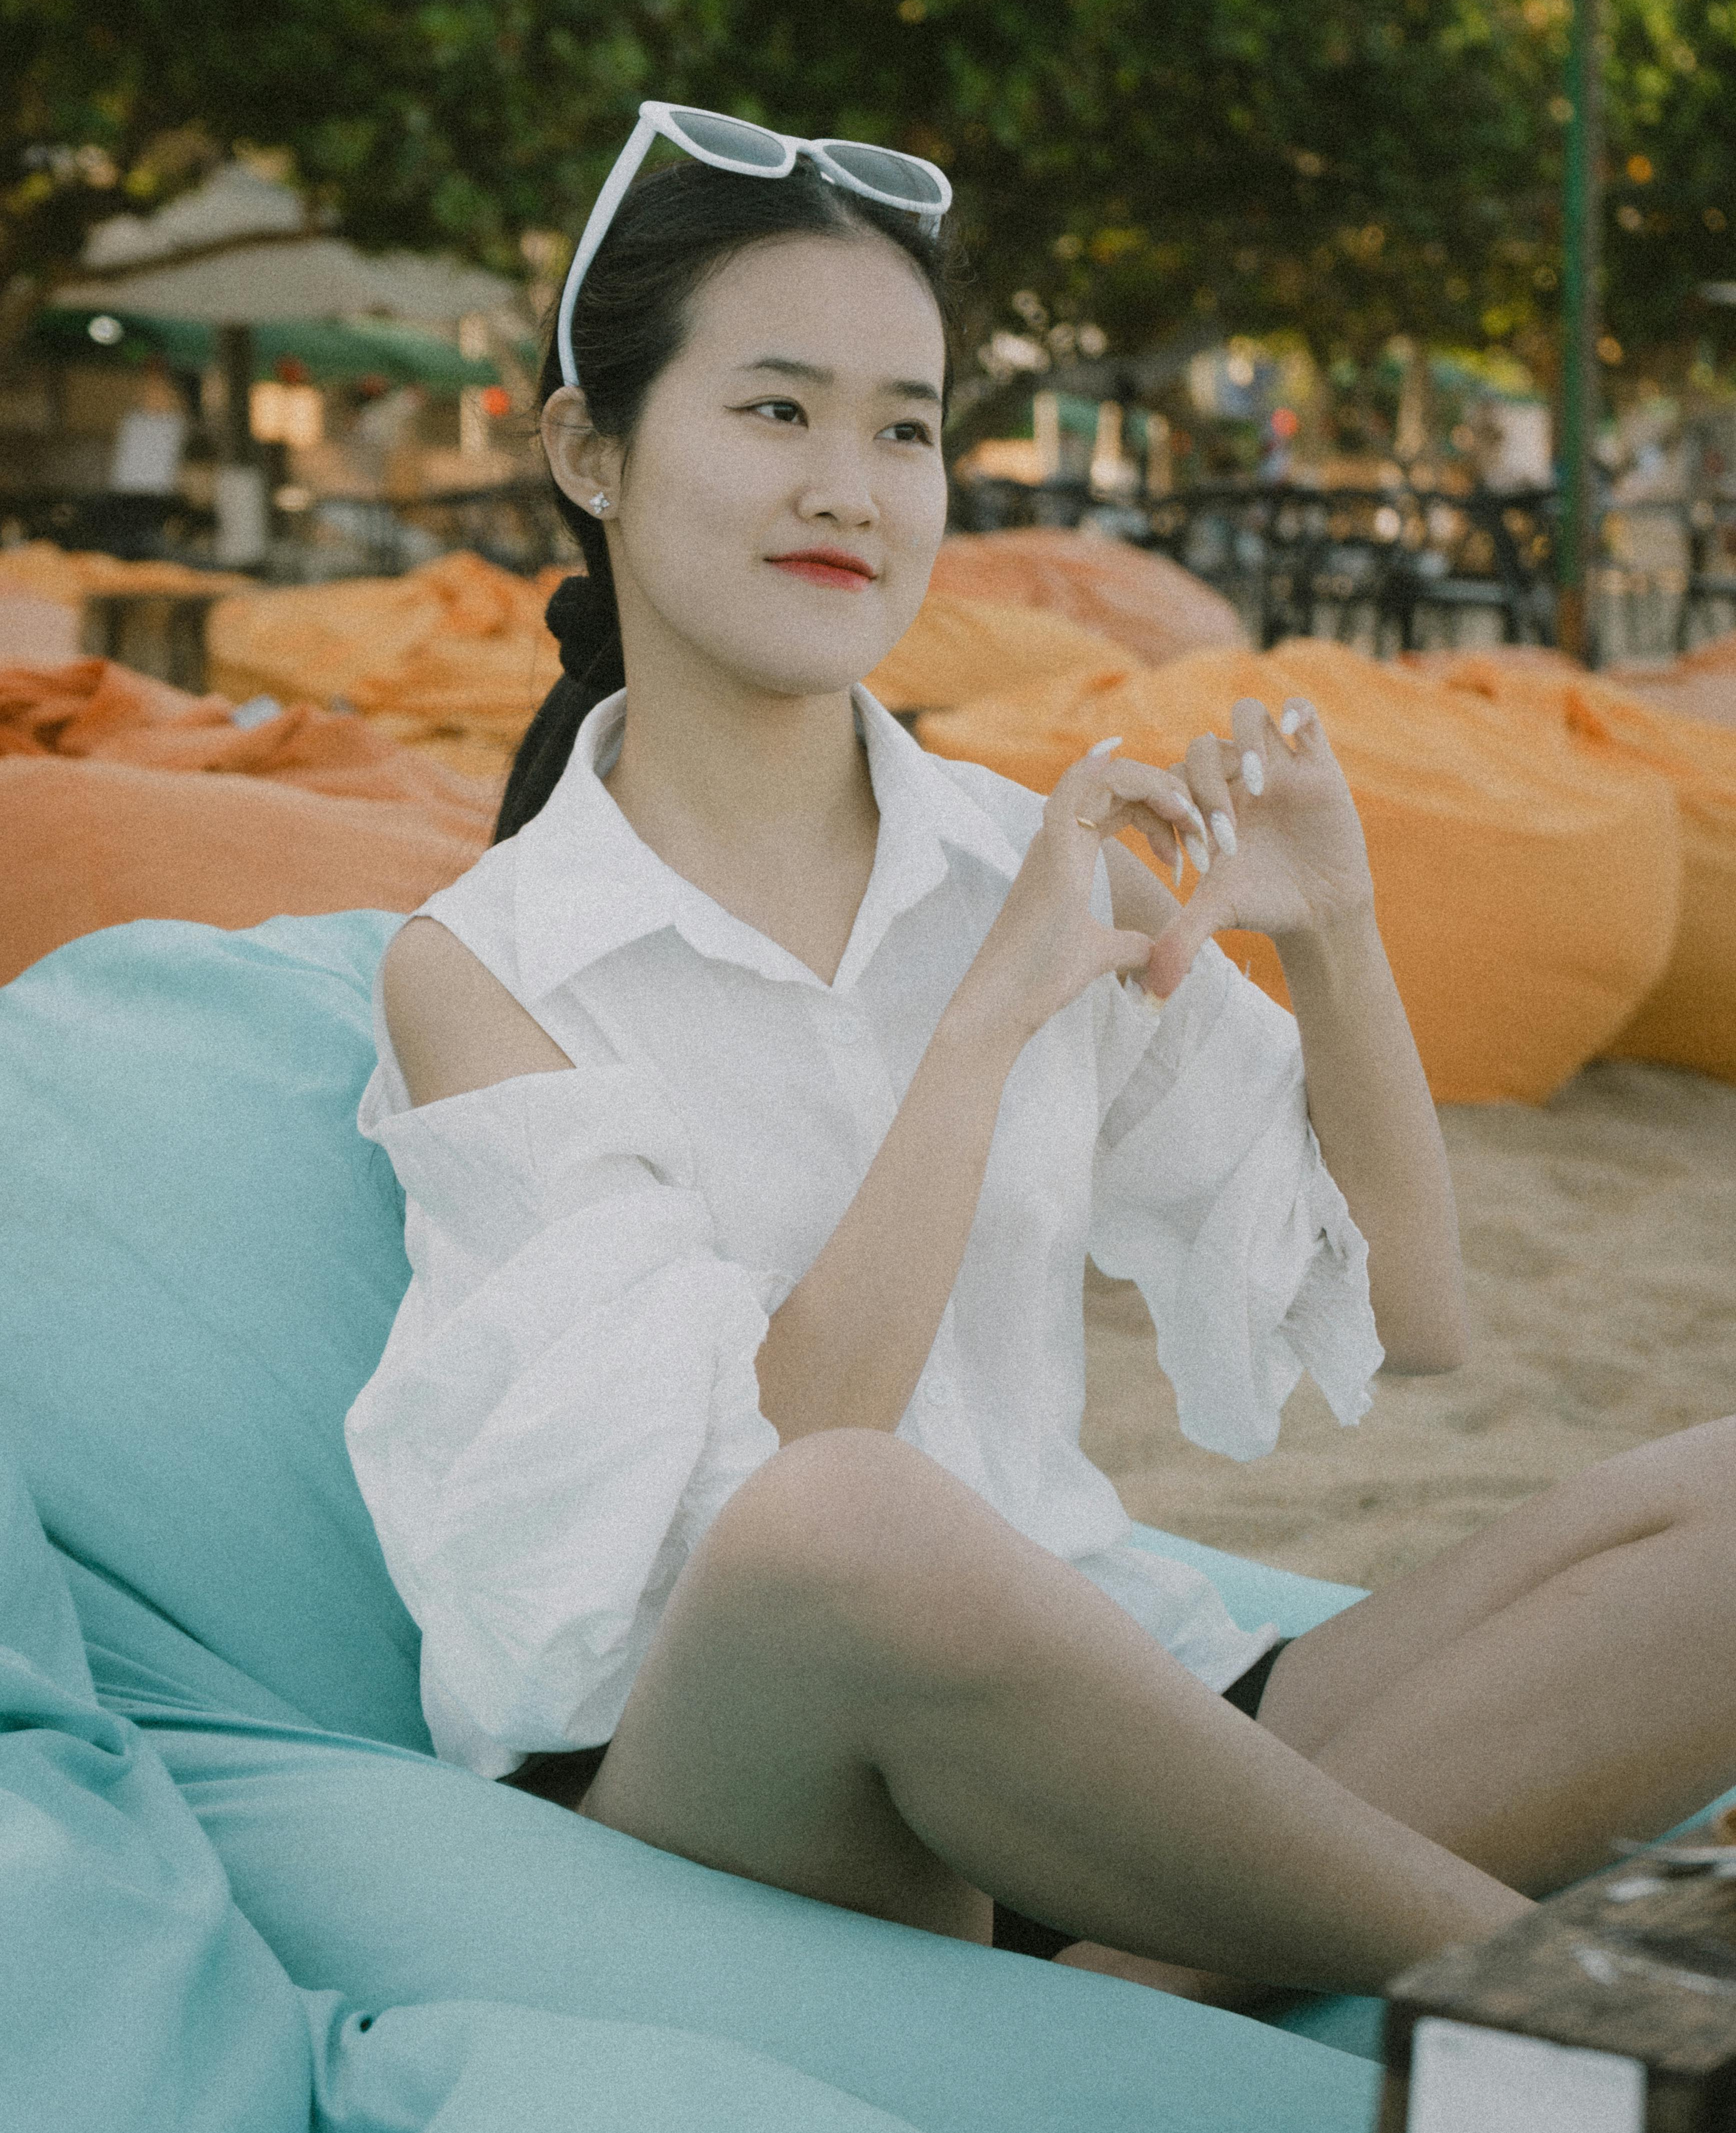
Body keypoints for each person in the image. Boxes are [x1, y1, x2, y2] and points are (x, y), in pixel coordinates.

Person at [346, 110, 1736, 2007]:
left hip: (1100, 1726)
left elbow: (1418, 1319)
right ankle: (1586, 2005)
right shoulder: (484, 964)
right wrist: (986, 1021)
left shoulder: (1015, 855)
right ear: (590, 447)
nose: (852, 485)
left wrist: (1332, 936)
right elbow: (779, 1489)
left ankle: (1154, 1981)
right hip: (762, 1786)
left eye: (905, 427)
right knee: (843, 1519)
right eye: (776, 412)